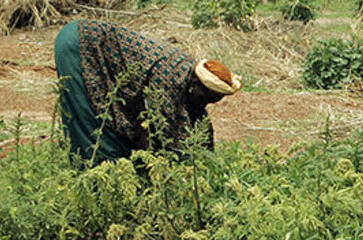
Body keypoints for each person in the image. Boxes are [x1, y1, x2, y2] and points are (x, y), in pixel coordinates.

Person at [54, 19, 241, 167]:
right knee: (92, 122)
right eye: (205, 98)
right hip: (81, 44)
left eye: (212, 101)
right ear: (195, 83)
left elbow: (198, 123)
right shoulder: (169, 79)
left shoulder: (190, 82)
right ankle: (92, 180)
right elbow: (154, 134)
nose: (205, 104)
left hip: (95, 47)